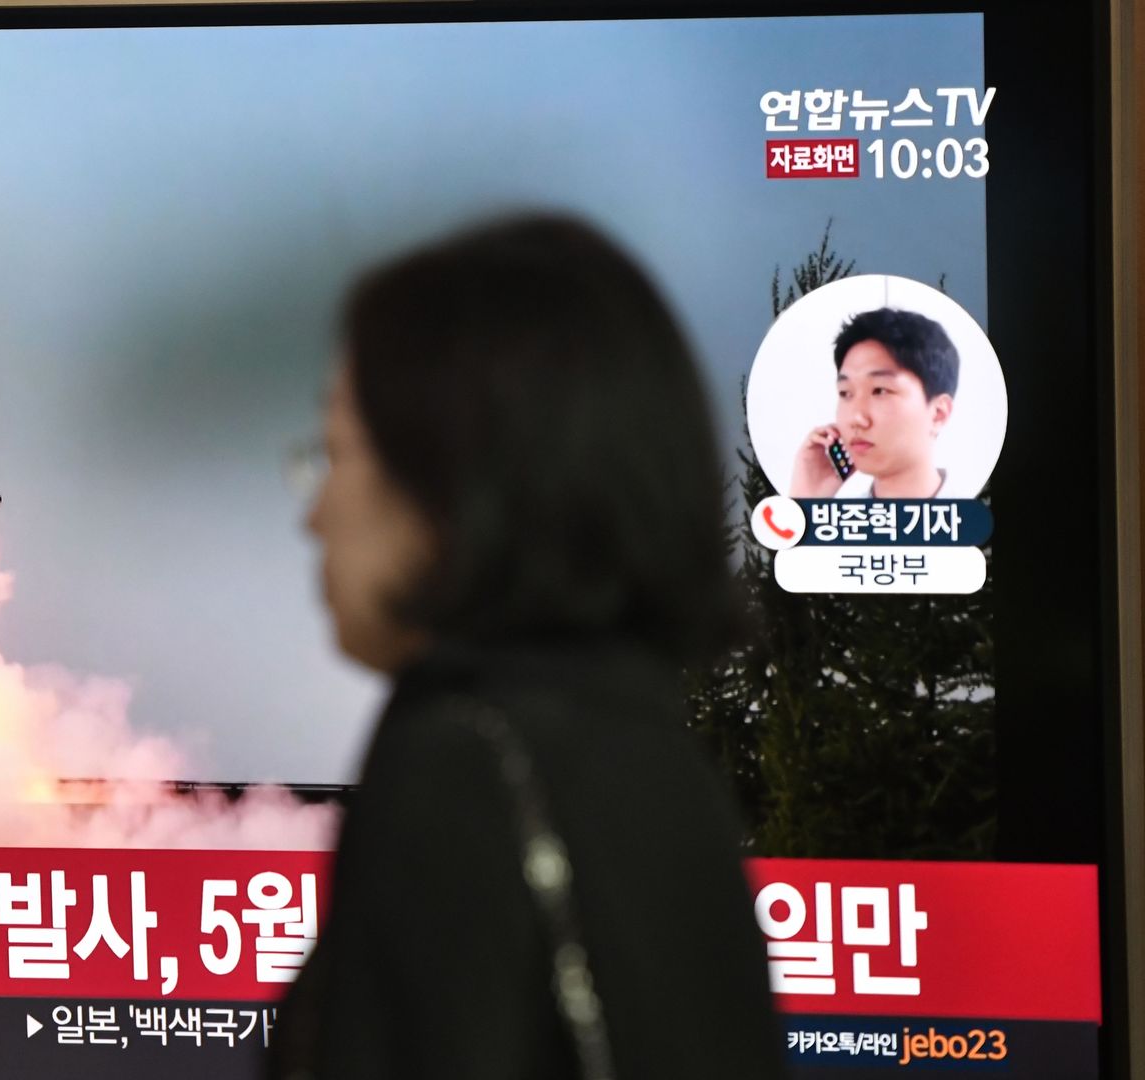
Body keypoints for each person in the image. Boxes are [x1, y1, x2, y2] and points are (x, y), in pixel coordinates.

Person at [270, 215, 784, 1079]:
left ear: (452, 481)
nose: (312, 512)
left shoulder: (461, 761)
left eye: (337, 452)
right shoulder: (648, 753)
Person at [790, 307, 959, 499]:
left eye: (880, 391)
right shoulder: (841, 523)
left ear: (938, 414)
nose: (856, 419)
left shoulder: (976, 520)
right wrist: (808, 502)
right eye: (845, 393)